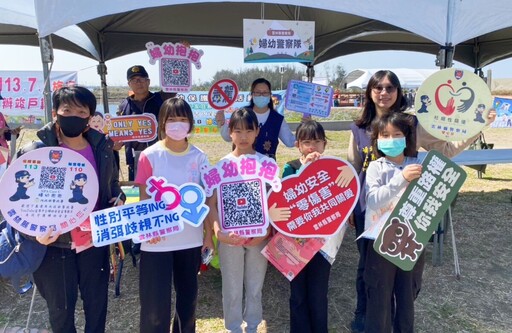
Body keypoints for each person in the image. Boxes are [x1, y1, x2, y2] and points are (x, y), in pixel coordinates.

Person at [347, 69, 495, 332]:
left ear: (398, 92)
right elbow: (353, 167)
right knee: (368, 268)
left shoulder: (412, 124)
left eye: (390, 87)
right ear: (370, 92)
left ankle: (399, 319)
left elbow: (447, 150)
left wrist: (478, 127)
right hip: (370, 208)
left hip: (408, 212)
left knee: (406, 273)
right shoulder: (359, 128)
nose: (384, 92)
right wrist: (349, 208)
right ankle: (365, 313)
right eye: (378, 87)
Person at [22, 85, 125, 333]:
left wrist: (119, 198)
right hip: (55, 247)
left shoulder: (102, 150)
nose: (74, 116)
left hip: (93, 243)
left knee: (97, 307)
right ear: (55, 112)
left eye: (81, 111)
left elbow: (111, 186)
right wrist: (34, 235)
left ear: (90, 116)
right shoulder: (36, 152)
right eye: (67, 109)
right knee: (61, 312)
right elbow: (17, 204)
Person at [134, 97, 214, 333]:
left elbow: (208, 198)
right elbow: (143, 197)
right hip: (156, 242)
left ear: (191, 124)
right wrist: (148, 229)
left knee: (187, 303)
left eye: (182, 119)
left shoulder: (200, 157)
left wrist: (208, 236)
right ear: (162, 123)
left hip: (190, 240)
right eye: (171, 119)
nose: (177, 124)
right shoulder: (149, 155)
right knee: (154, 307)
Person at [208, 108, 271, 333]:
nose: (243, 136)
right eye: (237, 131)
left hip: (259, 237)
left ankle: (253, 325)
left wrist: (266, 232)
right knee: (232, 287)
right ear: (229, 132)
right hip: (229, 237)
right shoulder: (219, 167)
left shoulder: (268, 165)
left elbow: (274, 203)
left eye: (248, 130)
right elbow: (211, 203)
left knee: (255, 285)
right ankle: (233, 327)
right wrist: (218, 232)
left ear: (257, 132)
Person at [281, 120, 347, 333]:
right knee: (297, 293)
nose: (312, 147)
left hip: (323, 244)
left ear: (325, 144)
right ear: (298, 144)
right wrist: (307, 168)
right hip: (295, 242)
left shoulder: (334, 168)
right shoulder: (291, 167)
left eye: (317, 141)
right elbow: (284, 197)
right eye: (307, 141)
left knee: (318, 293)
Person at [363, 112, 423, 332]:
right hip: (381, 239)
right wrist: (402, 178)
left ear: (407, 137)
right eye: (384, 135)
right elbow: (373, 200)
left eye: (396, 134)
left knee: (406, 293)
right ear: (377, 140)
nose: (390, 140)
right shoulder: (376, 167)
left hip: (411, 239)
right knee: (379, 293)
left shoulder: (418, 163)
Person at [216, 78, 295, 160]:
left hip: (266, 168)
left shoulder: (277, 119)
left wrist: (305, 128)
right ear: (252, 94)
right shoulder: (242, 114)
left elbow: (290, 142)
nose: (261, 95)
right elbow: (228, 137)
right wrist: (222, 123)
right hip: (242, 165)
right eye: (258, 92)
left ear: (270, 95)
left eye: (265, 93)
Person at [117, 65, 163, 180]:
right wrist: (116, 143)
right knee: (137, 193)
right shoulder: (124, 105)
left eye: (142, 79)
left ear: (148, 82)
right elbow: (120, 132)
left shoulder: (160, 100)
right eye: (134, 80)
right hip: (134, 158)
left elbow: (175, 86)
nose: (138, 83)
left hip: (159, 155)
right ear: (129, 84)